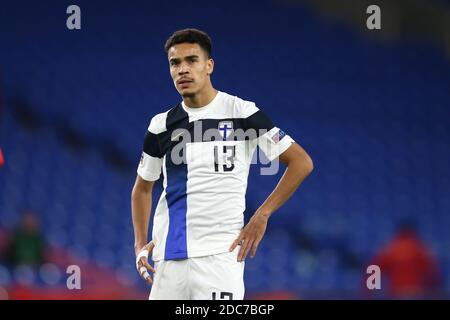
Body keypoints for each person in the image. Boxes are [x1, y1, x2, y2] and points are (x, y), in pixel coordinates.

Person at [131, 28, 314, 300]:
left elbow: (301, 161)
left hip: (220, 257)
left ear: (209, 65)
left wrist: (262, 214)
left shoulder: (242, 113)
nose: (182, 69)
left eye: (191, 60)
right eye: (175, 63)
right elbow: (142, 189)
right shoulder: (161, 125)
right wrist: (138, 245)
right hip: (169, 260)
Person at [371, 221, 441, 298]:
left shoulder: (389, 248)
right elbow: (433, 274)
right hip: (416, 293)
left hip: (395, 292)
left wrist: (370, 292)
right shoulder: (421, 248)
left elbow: (374, 270)